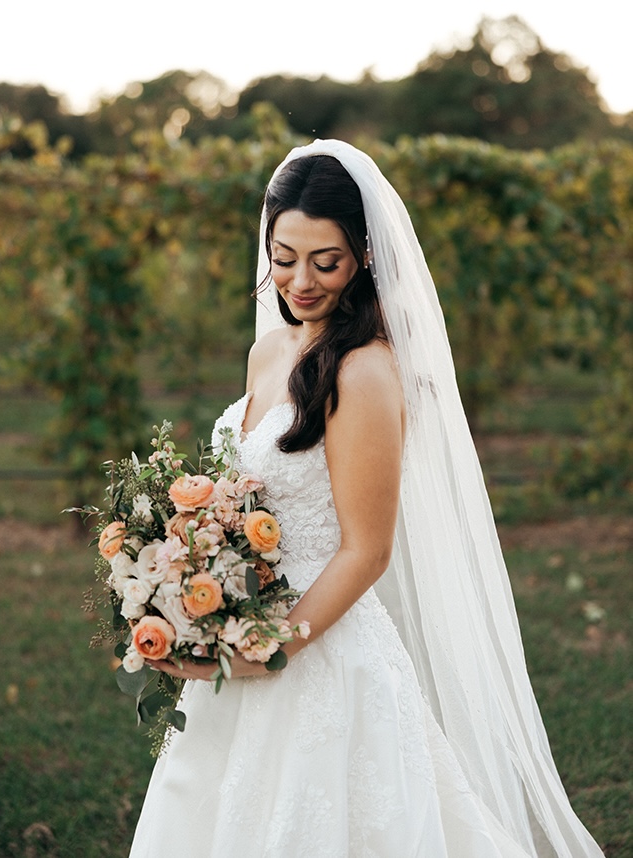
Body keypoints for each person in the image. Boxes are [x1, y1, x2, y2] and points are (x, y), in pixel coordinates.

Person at [129, 140, 604, 857]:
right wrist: (184, 576)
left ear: (365, 257)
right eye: (284, 257)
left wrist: (270, 648)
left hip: (320, 652)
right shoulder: (267, 353)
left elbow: (366, 549)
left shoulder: (365, 372)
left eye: (327, 261)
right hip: (240, 625)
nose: (301, 280)